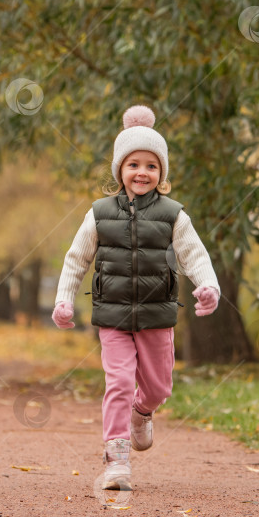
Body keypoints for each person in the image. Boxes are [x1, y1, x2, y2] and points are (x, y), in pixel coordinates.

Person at [52, 105, 220, 491]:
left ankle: (142, 413)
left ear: (161, 174)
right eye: (133, 165)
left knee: (159, 387)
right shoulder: (98, 214)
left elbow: (195, 254)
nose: (142, 172)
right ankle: (116, 460)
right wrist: (64, 300)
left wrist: (208, 286)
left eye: (151, 166)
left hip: (157, 315)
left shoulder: (173, 214)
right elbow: (76, 258)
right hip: (111, 315)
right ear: (119, 171)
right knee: (119, 383)